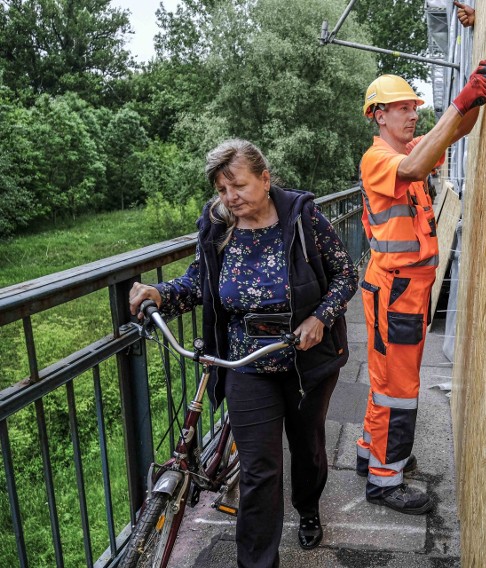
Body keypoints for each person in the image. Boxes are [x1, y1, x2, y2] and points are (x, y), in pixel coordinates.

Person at [128, 139, 357, 566]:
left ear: (266, 179)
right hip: (246, 365)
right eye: (221, 189)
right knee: (259, 470)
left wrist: (320, 317)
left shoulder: (303, 216)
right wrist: (159, 293)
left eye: (238, 186)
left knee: (307, 450)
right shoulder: (217, 225)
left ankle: (307, 508)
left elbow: (346, 274)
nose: (230, 198)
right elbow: (198, 282)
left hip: (305, 360)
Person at [356, 62, 486, 514]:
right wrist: (458, 102)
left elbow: (456, 131)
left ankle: (368, 453)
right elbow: (415, 167)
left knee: (386, 384)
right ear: (378, 115)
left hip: (402, 290)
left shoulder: (412, 147)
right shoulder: (380, 158)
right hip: (395, 291)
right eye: (401, 109)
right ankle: (384, 480)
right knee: (396, 387)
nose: (412, 114)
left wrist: (473, 98)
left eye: (413, 107)